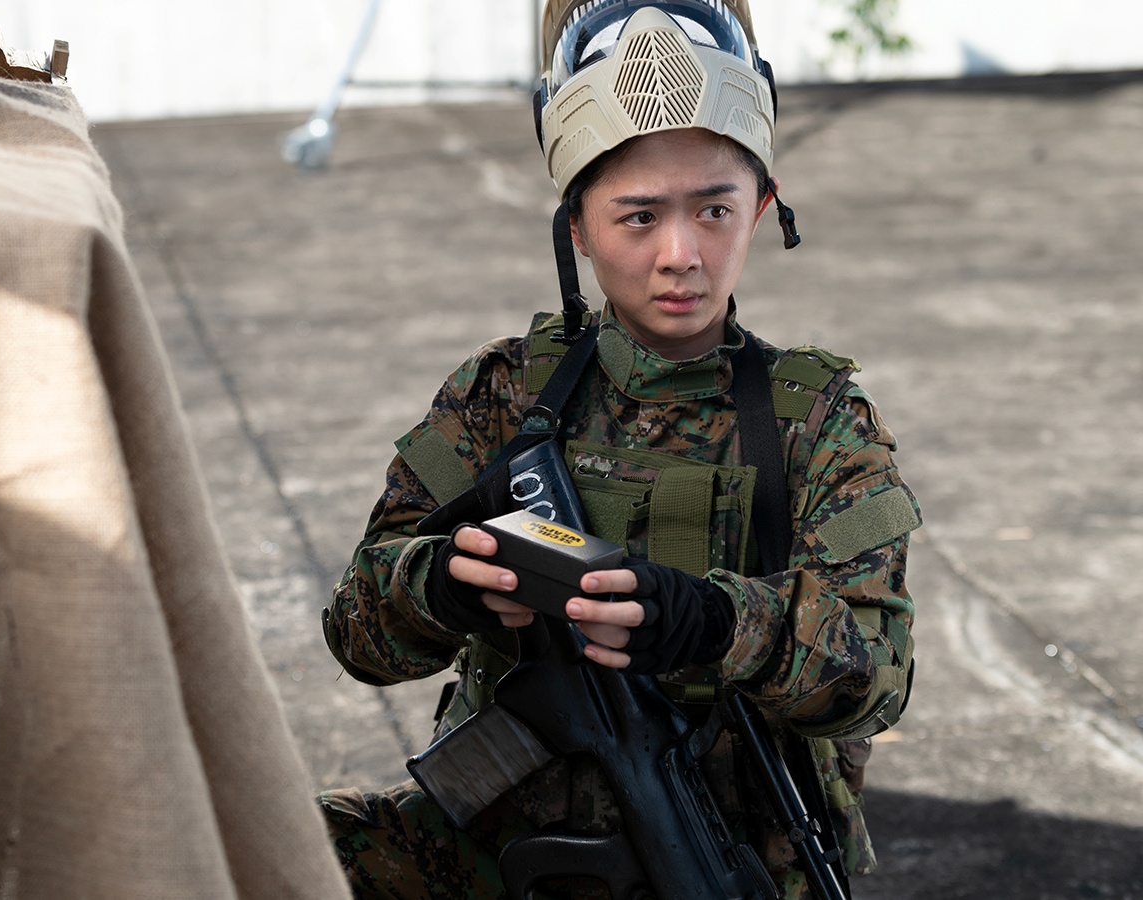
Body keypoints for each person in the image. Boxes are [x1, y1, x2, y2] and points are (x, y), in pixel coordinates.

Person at [319, 1, 920, 897]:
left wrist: (714, 622)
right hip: (494, 841)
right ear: (577, 228)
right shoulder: (505, 393)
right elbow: (358, 633)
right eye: (638, 217)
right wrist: (444, 584)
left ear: (761, 209)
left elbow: (873, 679)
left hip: (719, 851)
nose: (682, 255)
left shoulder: (815, 422)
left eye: (714, 209)